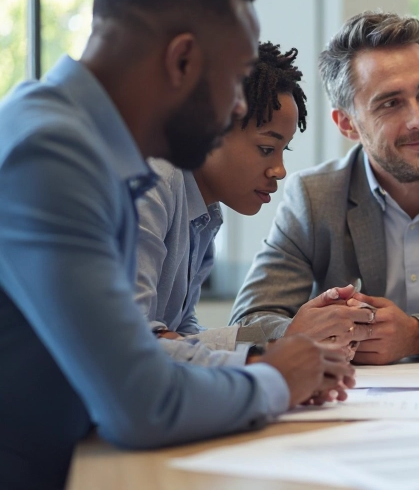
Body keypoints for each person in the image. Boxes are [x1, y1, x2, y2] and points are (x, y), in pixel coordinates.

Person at [0, 0, 353, 488]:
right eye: (235, 81)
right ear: (181, 60)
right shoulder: (51, 156)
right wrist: (274, 378)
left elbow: (143, 355)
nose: (237, 108)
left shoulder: (74, 140)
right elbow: (141, 402)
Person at [230, 11, 419, 364]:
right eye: (391, 103)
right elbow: (249, 321)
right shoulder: (314, 197)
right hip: (355, 404)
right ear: (347, 124)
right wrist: (311, 330)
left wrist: (417, 334)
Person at [136, 41, 361, 366]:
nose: (280, 171)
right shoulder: (154, 179)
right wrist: (267, 361)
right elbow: (132, 343)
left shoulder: (204, 215)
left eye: (285, 151)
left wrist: (286, 340)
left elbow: (180, 339)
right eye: (267, 148)